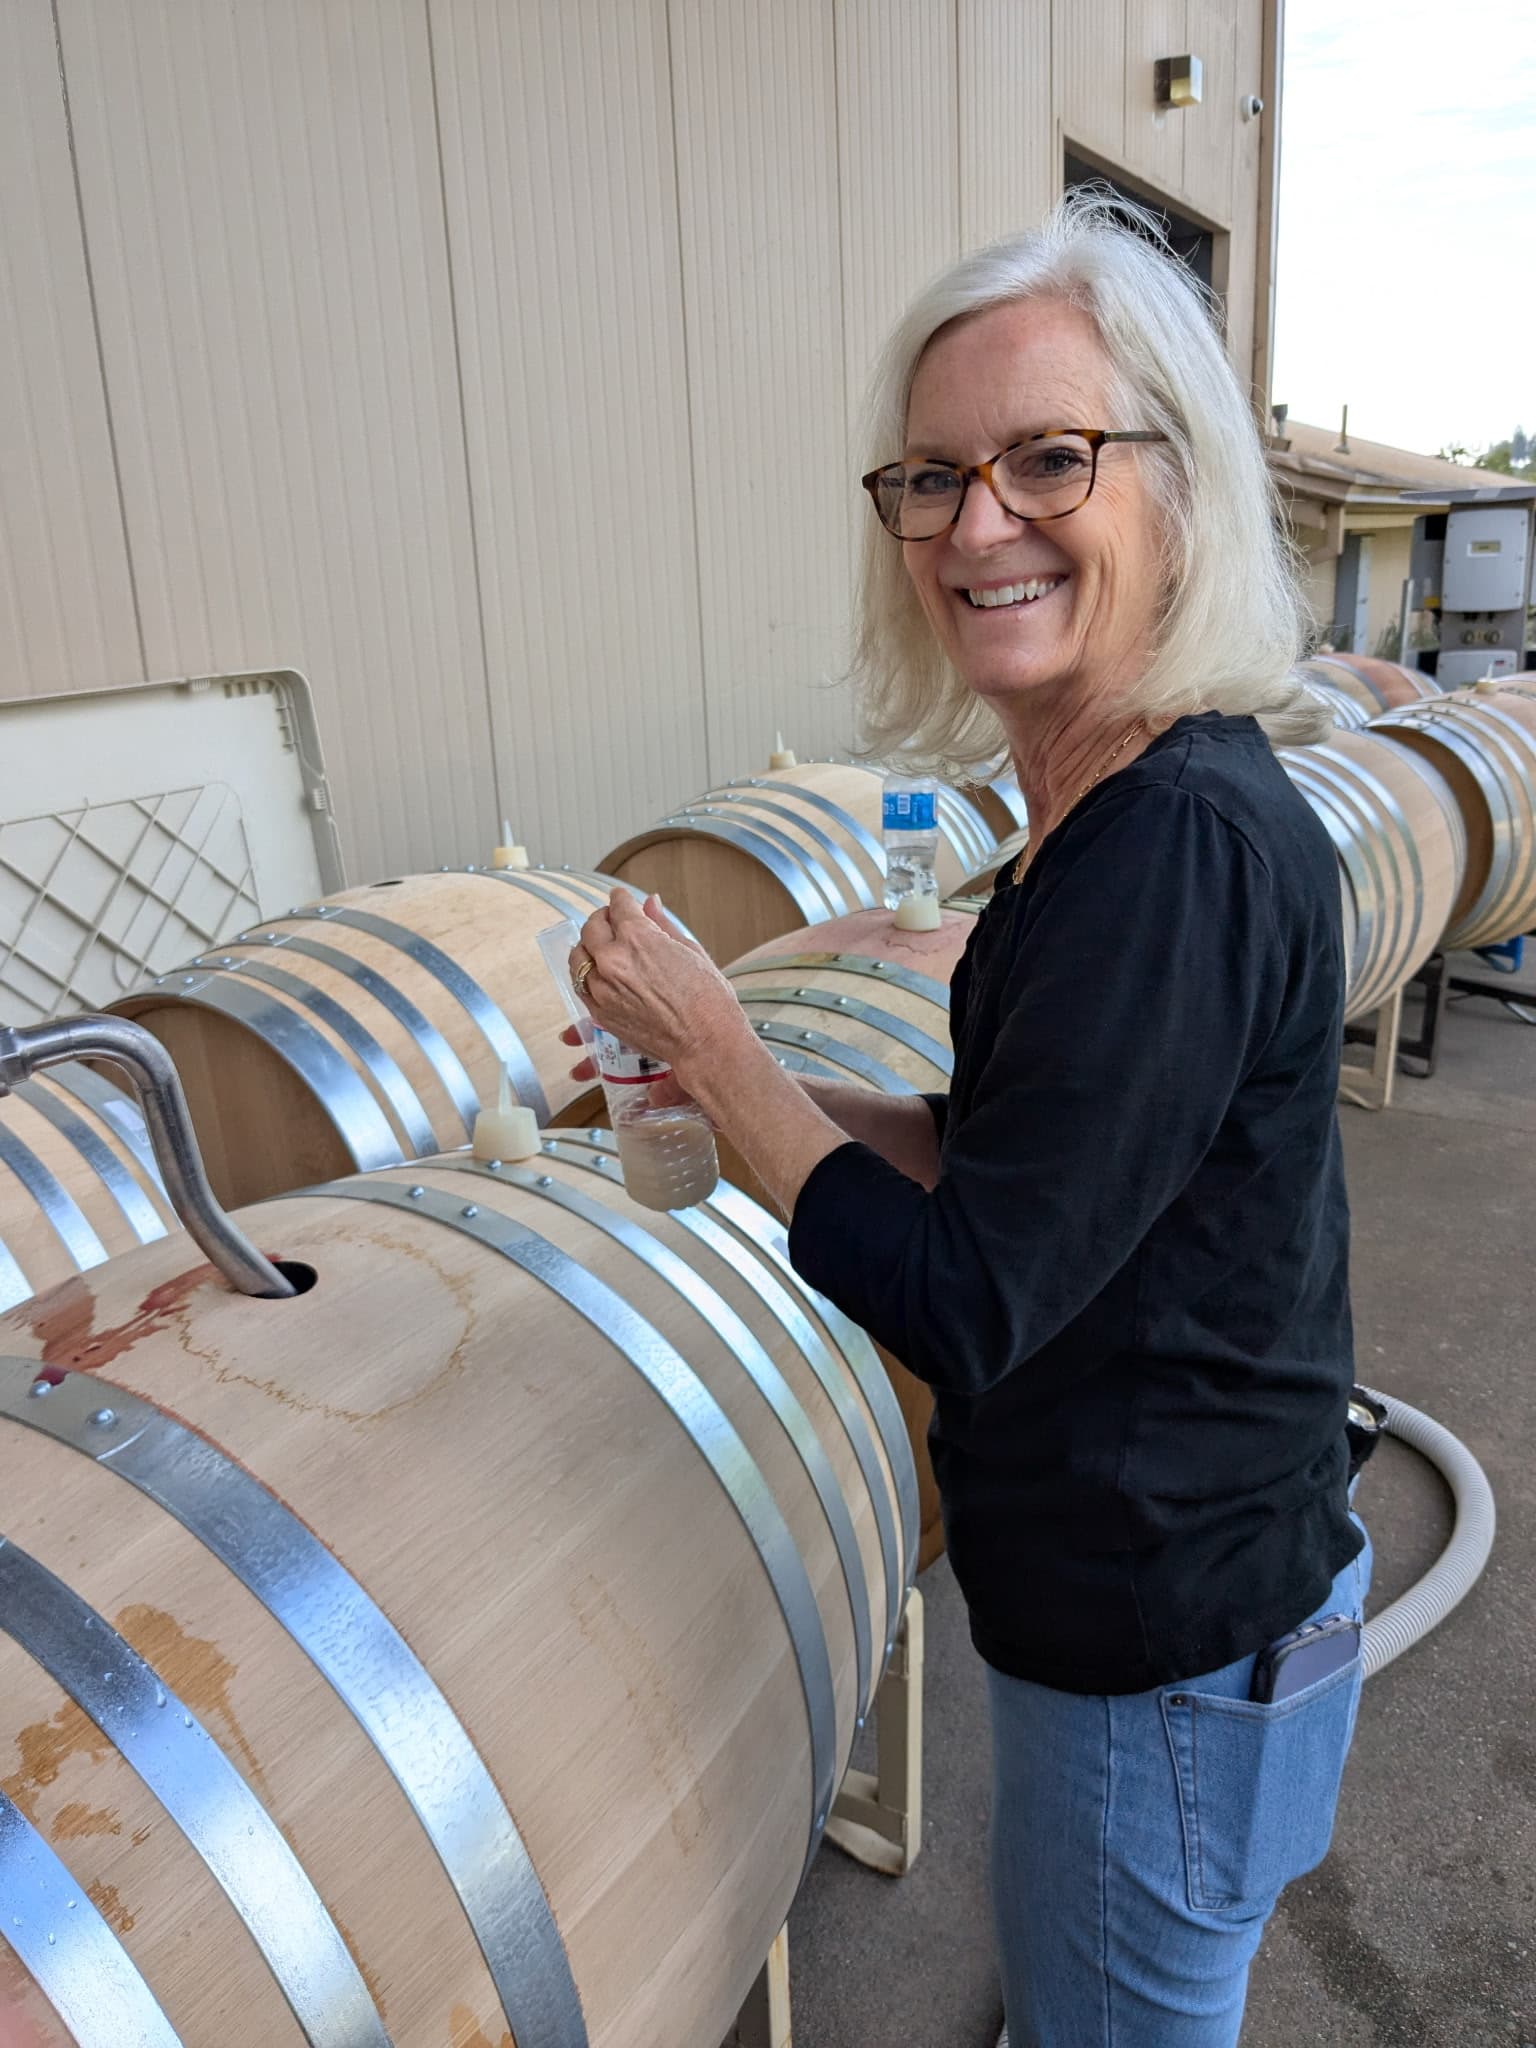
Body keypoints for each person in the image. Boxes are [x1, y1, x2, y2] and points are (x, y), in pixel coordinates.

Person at [564, 193, 1369, 2048]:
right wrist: (767, 1093)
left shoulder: (1165, 846)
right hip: (1196, 1619)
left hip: (1157, 1651)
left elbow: (973, 1298)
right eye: (933, 477)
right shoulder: (1128, 810)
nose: (977, 522)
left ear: (1174, 489)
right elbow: (1037, 1159)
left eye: (1047, 459)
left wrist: (730, 1042)